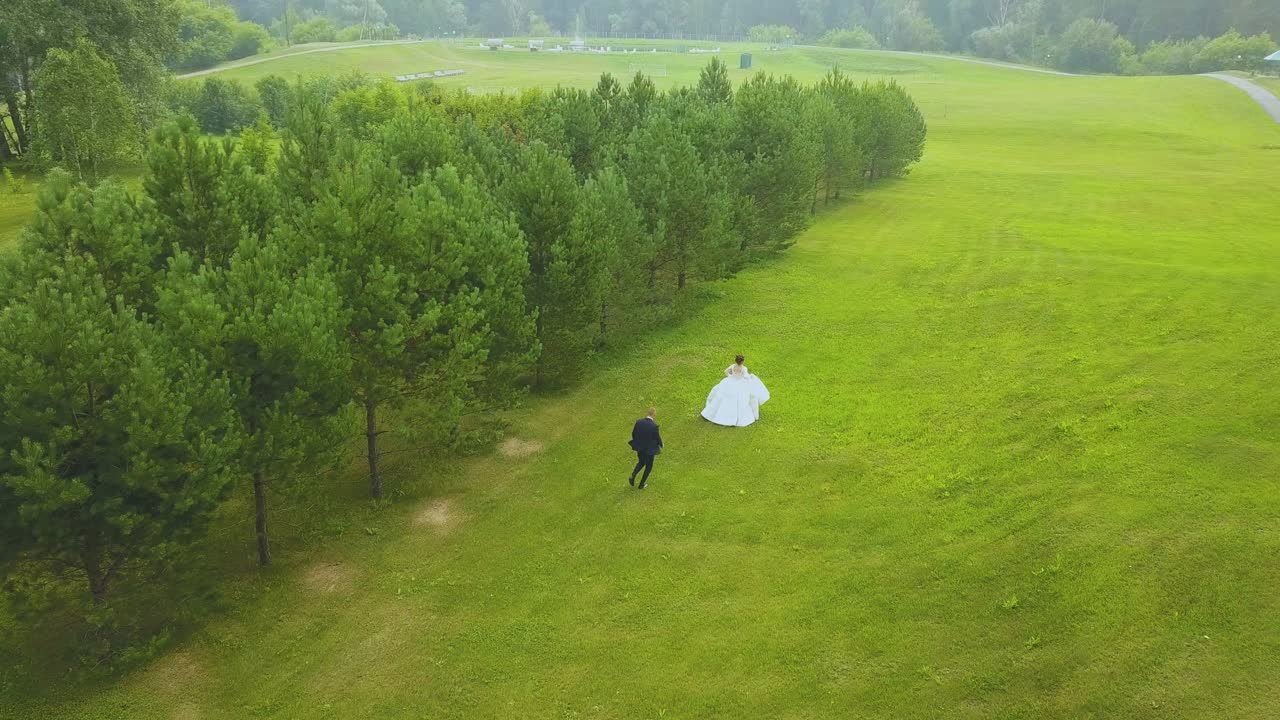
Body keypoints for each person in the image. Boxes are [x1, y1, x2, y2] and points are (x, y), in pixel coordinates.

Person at [700, 354, 770, 427]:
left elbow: (726, 371)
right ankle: (737, 416)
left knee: (724, 397)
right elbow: (746, 376)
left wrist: (731, 377)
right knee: (741, 399)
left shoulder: (733, 366)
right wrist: (751, 377)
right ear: (743, 361)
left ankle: (721, 414)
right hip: (740, 384)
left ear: (736, 360)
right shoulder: (743, 368)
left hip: (730, 382)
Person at [628, 407, 663, 490]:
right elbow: (657, 438)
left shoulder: (639, 422)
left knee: (641, 462)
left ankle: (633, 475)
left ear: (647, 413)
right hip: (649, 450)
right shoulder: (654, 426)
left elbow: (634, 433)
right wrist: (661, 444)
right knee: (649, 466)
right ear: (654, 414)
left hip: (640, 448)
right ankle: (641, 484)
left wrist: (638, 442)